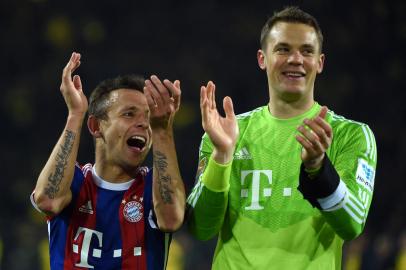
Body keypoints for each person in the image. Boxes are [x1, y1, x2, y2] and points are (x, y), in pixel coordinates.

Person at [187, 6, 377, 269]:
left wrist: (318, 169)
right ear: (262, 58)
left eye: (307, 51)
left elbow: (352, 224)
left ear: (319, 62)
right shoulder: (226, 132)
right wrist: (221, 157)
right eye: (283, 49)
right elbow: (200, 227)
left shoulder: (350, 135)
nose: (296, 59)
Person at [31, 52, 185, 269]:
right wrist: (75, 115)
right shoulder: (76, 182)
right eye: (129, 114)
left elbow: (171, 220)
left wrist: (162, 130)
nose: (143, 123)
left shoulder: (154, 186)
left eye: (148, 117)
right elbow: (47, 201)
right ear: (96, 127)